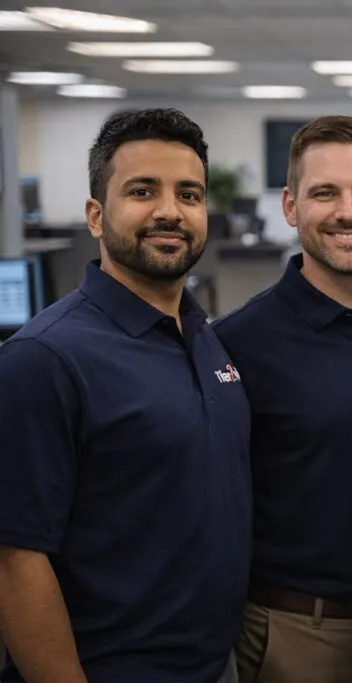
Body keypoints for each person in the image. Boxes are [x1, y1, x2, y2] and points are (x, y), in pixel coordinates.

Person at [0, 108, 249, 683]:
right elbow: (15, 561)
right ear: (95, 214)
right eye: (142, 191)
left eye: (188, 194)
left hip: (215, 665)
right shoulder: (45, 358)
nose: (170, 210)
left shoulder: (205, 336)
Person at [212, 115, 352, 683]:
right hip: (304, 632)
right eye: (324, 193)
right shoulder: (235, 344)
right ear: (291, 207)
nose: (347, 211)